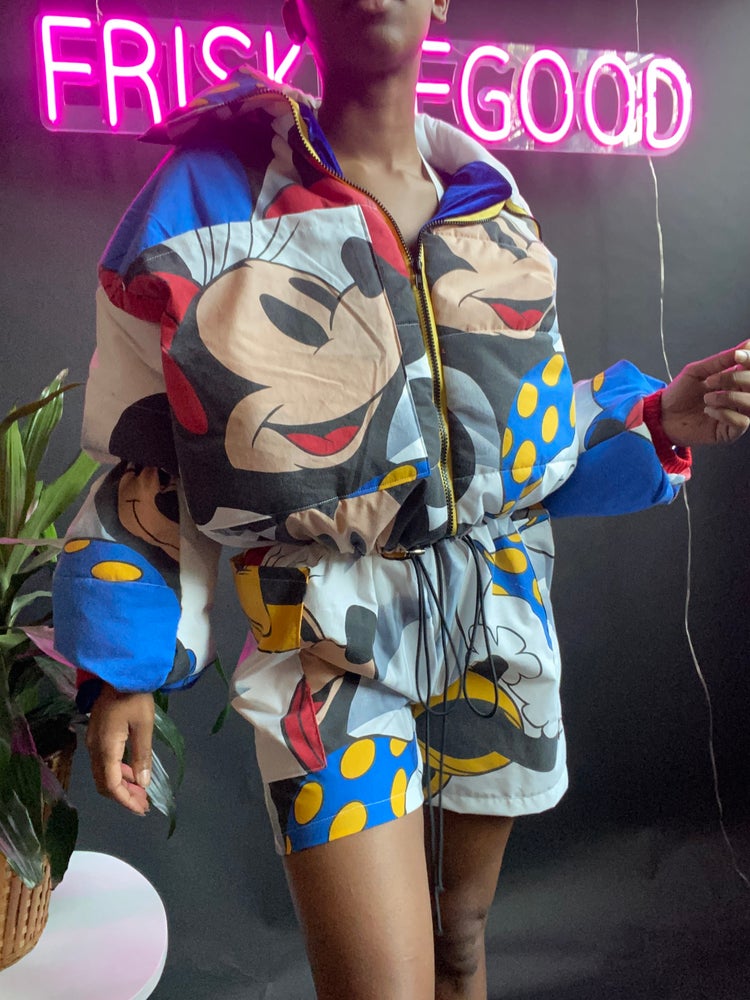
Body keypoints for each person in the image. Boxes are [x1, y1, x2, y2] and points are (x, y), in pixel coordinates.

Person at [52, 2, 750, 998]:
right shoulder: (205, 198)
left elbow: (521, 449)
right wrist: (123, 664)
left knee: (462, 941)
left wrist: (658, 417)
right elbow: (144, 445)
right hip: (325, 645)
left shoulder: (491, 205)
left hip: (497, 631)